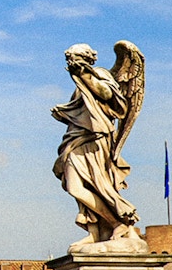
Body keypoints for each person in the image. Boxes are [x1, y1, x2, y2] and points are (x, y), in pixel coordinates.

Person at [52, 42, 144, 252]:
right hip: (77, 138)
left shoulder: (100, 74)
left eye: (73, 58)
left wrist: (86, 76)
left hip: (96, 139)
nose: (70, 63)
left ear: (85, 58)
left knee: (98, 184)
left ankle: (119, 222)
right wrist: (64, 112)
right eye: (68, 59)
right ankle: (96, 231)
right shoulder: (79, 85)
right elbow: (82, 112)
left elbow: (108, 95)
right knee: (74, 186)